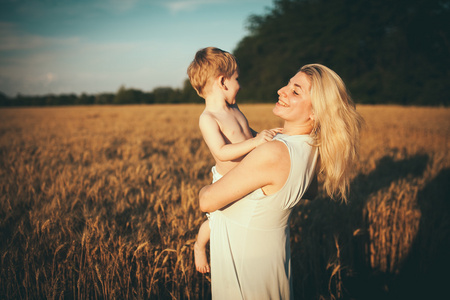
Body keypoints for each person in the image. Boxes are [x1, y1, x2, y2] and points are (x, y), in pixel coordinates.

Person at [199, 63, 364, 299]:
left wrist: (214, 178)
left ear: (315, 112)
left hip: (246, 268)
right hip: (271, 261)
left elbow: (206, 202)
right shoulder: (310, 148)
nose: (281, 90)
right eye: (287, 84)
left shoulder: (274, 153)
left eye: (295, 91)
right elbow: (310, 192)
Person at [187, 47, 280, 273]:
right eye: (237, 78)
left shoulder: (234, 107)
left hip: (247, 174)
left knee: (242, 216)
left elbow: (246, 132)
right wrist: (256, 143)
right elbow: (221, 152)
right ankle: (199, 246)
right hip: (227, 178)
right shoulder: (208, 118)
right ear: (223, 82)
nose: (240, 84)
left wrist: (262, 136)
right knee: (217, 219)